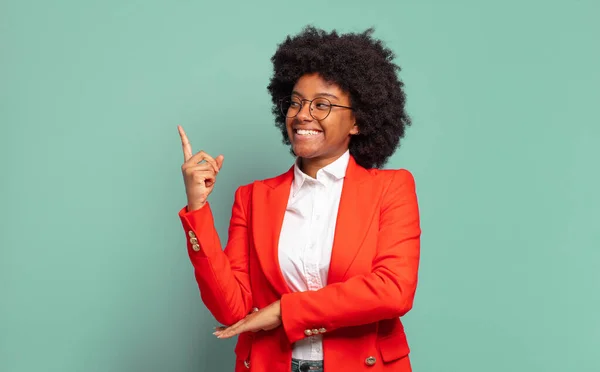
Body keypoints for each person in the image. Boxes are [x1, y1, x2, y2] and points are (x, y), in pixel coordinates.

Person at [176, 26, 421, 372]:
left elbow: (393, 289)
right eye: (295, 102)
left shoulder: (391, 188)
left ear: (357, 121)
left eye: (322, 104)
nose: (302, 114)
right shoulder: (253, 197)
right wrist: (197, 208)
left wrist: (284, 311)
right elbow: (231, 309)